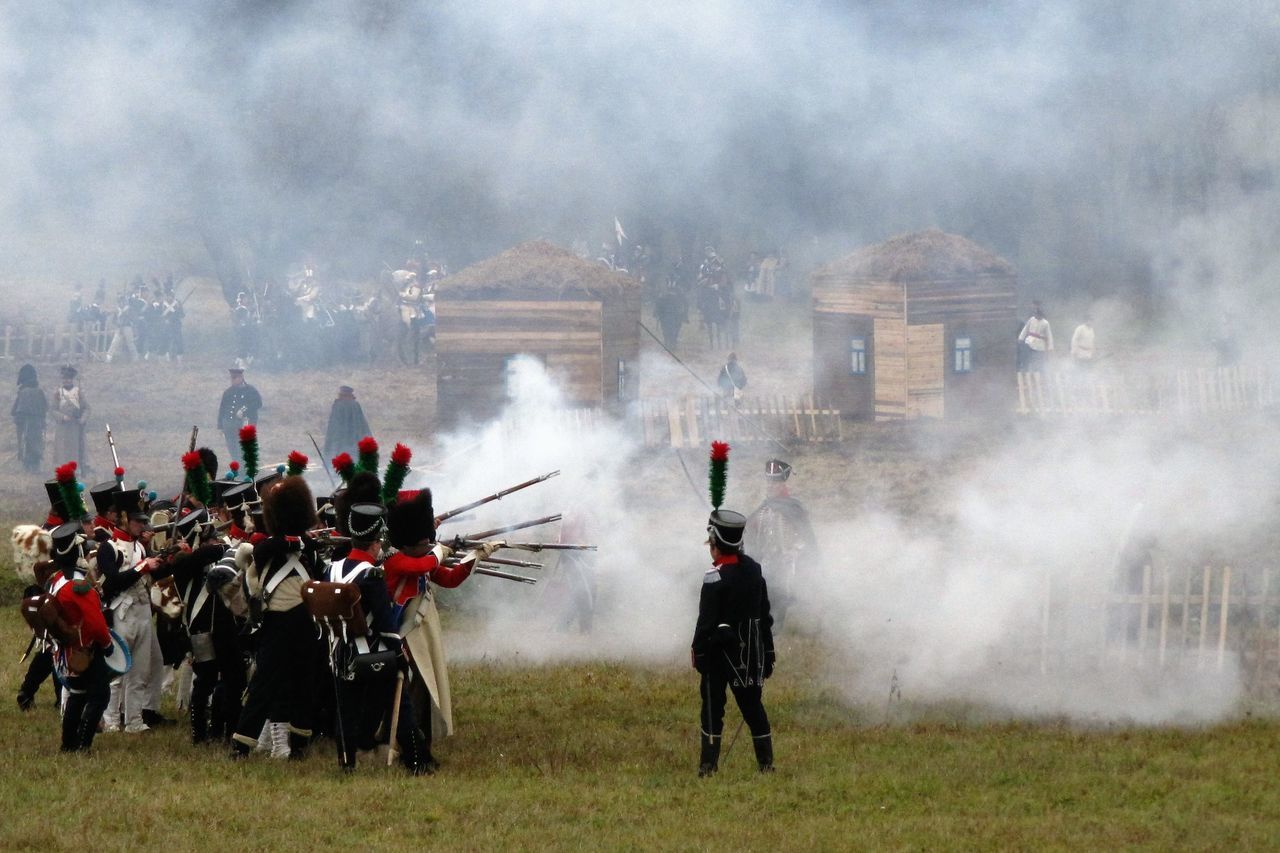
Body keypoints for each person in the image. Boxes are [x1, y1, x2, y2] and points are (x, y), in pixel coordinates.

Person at [383, 487, 498, 771]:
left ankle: (422, 746)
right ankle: (409, 748)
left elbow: (448, 578)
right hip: (406, 633)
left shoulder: (420, 557)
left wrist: (475, 556)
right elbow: (425, 562)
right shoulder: (397, 559)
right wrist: (439, 549)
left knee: (424, 691)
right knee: (413, 692)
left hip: (424, 632)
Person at [232, 476, 322, 761]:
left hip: (305, 619)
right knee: (263, 685)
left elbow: (316, 566)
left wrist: (303, 541)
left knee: (305, 682)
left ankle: (299, 742)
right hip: (277, 621)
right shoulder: (268, 546)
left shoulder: (307, 545)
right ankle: (241, 744)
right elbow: (264, 551)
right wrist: (291, 540)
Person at [691, 509, 775, 777]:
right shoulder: (754, 570)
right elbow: (764, 615)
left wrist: (699, 651)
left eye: (711, 544)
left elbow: (705, 622)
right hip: (750, 652)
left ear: (716, 544)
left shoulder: (714, 576)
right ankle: (766, 765)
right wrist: (768, 650)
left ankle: (708, 766)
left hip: (718, 654)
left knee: (713, 710)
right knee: (753, 708)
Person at [44, 522, 114, 751]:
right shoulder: (77, 585)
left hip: (66, 650)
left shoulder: (55, 580)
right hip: (85, 649)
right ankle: (83, 744)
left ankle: (68, 744)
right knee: (100, 695)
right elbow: (95, 621)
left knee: (77, 694)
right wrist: (106, 643)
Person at [743, 459, 818, 630]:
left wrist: (796, 555)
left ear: (782, 483)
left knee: (781, 597)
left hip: (788, 565)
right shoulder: (764, 508)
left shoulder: (793, 508)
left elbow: (805, 539)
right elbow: (750, 531)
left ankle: (779, 627)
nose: (770, 485)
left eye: (775, 482)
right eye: (769, 481)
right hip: (767, 562)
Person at [217, 367, 262, 467]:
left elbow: (258, 403)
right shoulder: (228, 392)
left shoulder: (250, 390)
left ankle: (243, 470)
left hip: (243, 425)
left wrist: (244, 411)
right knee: (232, 448)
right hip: (229, 425)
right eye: (231, 378)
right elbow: (222, 409)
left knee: (241, 449)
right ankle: (238, 468)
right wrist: (221, 426)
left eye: (235, 378)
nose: (232, 381)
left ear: (241, 377)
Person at [52, 365, 90, 475]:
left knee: (76, 450)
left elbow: (87, 408)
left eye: (68, 379)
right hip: (62, 428)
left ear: (72, 379)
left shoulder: (78, 392)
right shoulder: (57, 393)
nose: (66, 381)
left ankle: (76, 471)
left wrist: (82, 419)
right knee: (62, 451)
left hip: (75, 427)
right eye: (64, 379)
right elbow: (53, 409)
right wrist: (62, 417)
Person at [12, 364, 47, 473]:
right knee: (36, 444)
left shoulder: (23, 392)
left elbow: (16, 411)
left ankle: (29, 468)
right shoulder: (39, 391)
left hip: (25, 423)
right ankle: (34, 467)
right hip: (37, 423)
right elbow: (45, 407)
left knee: (25, 444)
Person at [323, 385, 372, 459]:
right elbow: (363, 425)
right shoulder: (354, 404)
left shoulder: (339, 405)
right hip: (353, 441)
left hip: (344, 442)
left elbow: (333, 426)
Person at [1017, 302, 1053, 372]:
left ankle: (1038, 371)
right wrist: (1021, 338)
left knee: (1039, 359)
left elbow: (1049, 335)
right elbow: (1026, 329)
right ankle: (1026, 370)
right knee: (1027, 357)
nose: (1037, 316)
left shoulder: (1045, 323)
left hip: (1040, 343)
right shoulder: (1031, 319)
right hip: (1029, 341)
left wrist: (1050, 347)